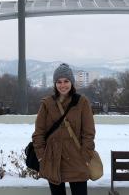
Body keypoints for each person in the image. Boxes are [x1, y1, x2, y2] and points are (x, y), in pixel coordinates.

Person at [32, 63, 96, 195]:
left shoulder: (82, 102)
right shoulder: (47, 104)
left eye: (66, 81)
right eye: (59, 82)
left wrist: (85, 155)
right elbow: (38, 133)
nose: (63, 85)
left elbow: (88, 133)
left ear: (71, 82)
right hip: (53, 159)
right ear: (55, 84)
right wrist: (41, 157)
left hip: (77, 158)